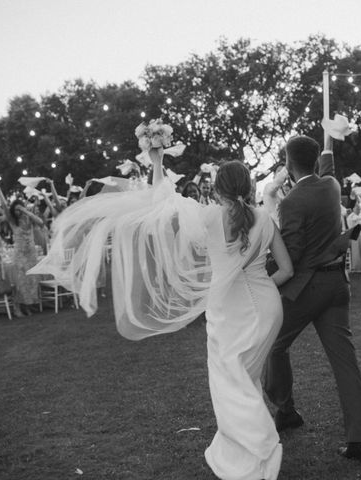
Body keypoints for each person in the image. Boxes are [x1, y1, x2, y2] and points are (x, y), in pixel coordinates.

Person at [30, 142, 294, 479]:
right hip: (268, 307)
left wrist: (157, 160)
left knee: (231, 381)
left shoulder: (208, 216)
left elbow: (162, 200)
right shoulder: (266, 219)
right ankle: (251, 449)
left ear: (217, 189)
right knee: (245, 377)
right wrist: (259, 284)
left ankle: (260, 446)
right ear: (249, 186)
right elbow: (286, 270)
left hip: (230, 310)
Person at [263, 135, 361, 463]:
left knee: (273, 346)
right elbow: (326, 168)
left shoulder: (292, 202)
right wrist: (327, 140)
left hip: (306, 290)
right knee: (345, 364)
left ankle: (286, 410)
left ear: (287, 162)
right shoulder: (331, 186)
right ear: (314, 161)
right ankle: (358, 442)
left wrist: (264, 268)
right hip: (337, 285)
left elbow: (292, 256)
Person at [0, 185, 42, 317]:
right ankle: (17, 307)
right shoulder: (12, 220)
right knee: (20, 281)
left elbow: (40, 223)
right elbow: (5, 205)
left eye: (19, 209)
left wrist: (26, 211)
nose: (18, 212)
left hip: (31, 253)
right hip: (19, 254)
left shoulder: (28, 217)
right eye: (16, 210)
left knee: (31, 280)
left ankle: (28, 306)